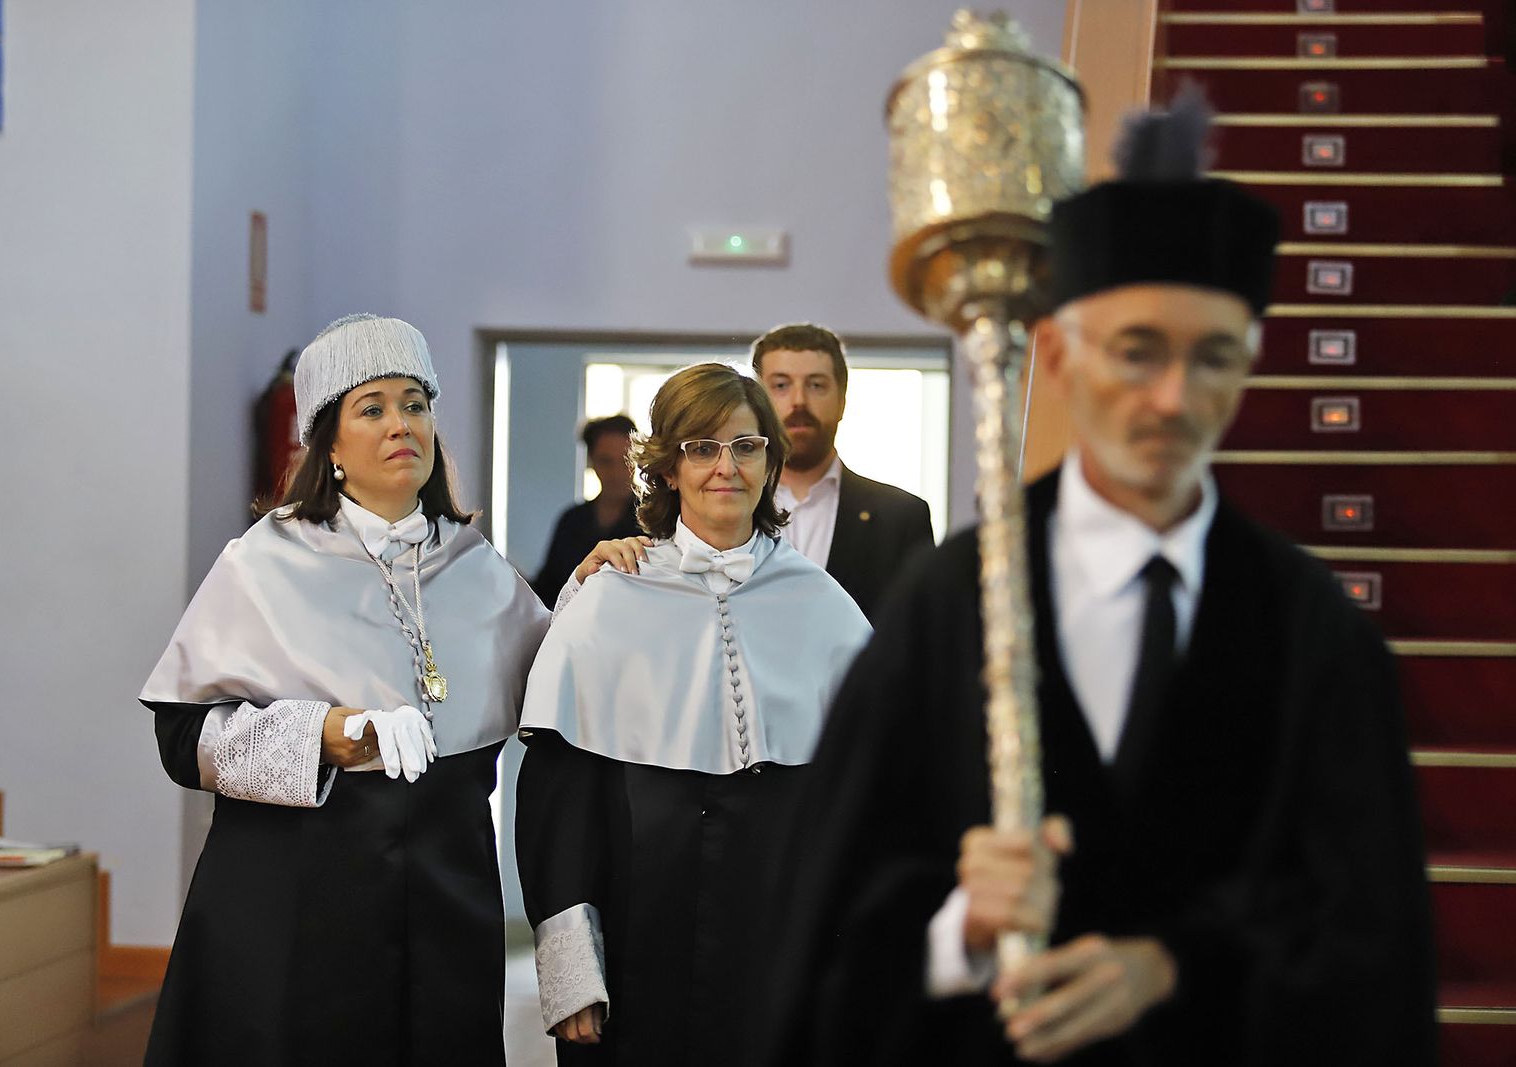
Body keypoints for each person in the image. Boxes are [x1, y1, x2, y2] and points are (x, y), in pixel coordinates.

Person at [762, 102, 1437, 1066]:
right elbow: (824, 933)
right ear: (1058, 354)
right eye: (1137, 350)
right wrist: (960, 931)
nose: (1174, 398)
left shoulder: (1312, 631)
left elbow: (1371, 956)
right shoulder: (951, 603)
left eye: (1213, 358)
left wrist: (1173, 967)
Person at [139, 314, 550, 1065]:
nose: (402, 424)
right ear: (328, 442)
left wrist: (609, 583)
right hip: (295, 898)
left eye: (415, 404)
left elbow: (564, 694)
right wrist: (323, 734)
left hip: (444, 903)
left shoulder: (481, 571)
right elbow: (179, 738)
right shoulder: (262, 564)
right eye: (373, 407)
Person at [515, 362, 872, 1065]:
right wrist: (570, 970)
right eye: (703, 447)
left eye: (745, 447)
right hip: (636, 924)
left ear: (770, 463)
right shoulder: (610, 595)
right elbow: (560, 806)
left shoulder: (824, 605)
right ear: (668, 468)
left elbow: (863, 801)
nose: (726, 467)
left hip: (774, 928)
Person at [752, 322, 934, 621]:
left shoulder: (901, 518)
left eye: (816, 385)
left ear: (842, 400)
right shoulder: (726, 505)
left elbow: (921, 636)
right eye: (781, 385)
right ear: (758, 402)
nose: (799, 400)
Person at [531, 414, 644, 607]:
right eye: (606, 461)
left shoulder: (655, 519)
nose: (617, 472)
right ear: (592, 462)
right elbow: (547, 590)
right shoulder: (571, 521)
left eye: (625, 460)